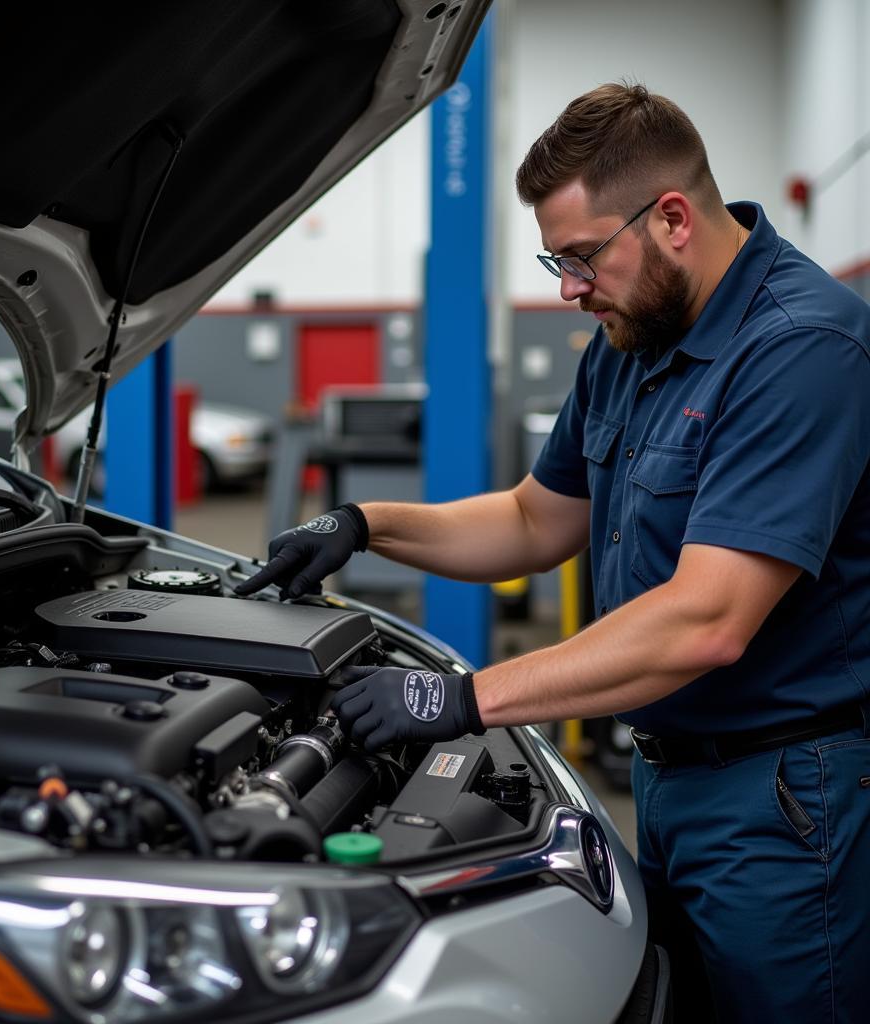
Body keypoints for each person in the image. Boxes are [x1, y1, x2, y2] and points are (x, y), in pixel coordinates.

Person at [235, 82, 870, 1023]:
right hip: (665, 779)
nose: (568, 290)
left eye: (580, 258)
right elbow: (537, 520)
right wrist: (366, 524)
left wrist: (458, 699)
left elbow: (707, 619)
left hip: (783, 802)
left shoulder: (803, 349)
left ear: (671, 219)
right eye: (555, 259)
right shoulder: (628, 340)